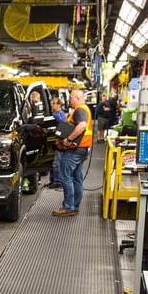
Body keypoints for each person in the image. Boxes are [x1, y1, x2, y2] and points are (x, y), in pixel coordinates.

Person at [53, 89, 93, 217]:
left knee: (65, 176)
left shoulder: (80, 110)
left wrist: (68, 139)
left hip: (75, 149)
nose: (69, 100)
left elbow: (81, 125)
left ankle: (68, 207)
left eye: (71, 98)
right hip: (82, 148)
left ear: (77, 98)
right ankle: (74, 206)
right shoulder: (84, 109)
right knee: (76, 177)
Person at [47, 97, 66, 189]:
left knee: (57, 162)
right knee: (51, 161)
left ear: (59, 104)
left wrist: (53, 116)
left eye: (54, 103)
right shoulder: (53, 114)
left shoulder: (60, 114)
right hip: (52, 140)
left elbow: (62, 122)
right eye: (52, 103)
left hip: (59, 141)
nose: (52, 105)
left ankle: (58, 181)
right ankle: (52, 180)